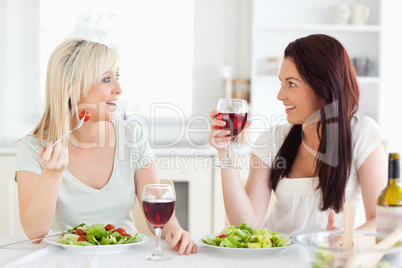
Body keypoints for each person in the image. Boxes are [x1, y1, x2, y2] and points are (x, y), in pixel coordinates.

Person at [15, 38, 196, 255]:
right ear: (72, 88)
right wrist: (52, 175)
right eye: (107, 79)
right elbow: (35, 234)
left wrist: (174, 230)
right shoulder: (33, 147)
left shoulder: (132, 135)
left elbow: (156, 214)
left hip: (125, 259)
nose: (119, 89)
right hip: (65, 260)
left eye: (117, 77)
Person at [209, 34, 387, 235]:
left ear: (323, 86)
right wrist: (226, 152)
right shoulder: (273, 140)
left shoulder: (361, 134)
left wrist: (349, 240)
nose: (280, 95)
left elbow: (384, 221)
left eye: (291, 84)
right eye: (281, 83)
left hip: (331, 262)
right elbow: (246, 225)